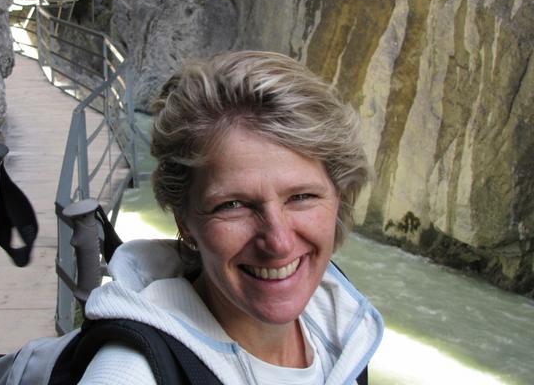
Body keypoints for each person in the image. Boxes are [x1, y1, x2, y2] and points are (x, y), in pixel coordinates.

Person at [80, 51, 384, 384]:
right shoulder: (130, 369)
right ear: (185, 222)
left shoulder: (343, 321)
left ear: (339, 198)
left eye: (301, 197)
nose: (279, 243)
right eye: (233, 205)